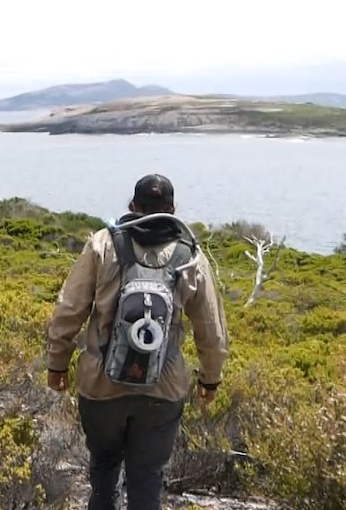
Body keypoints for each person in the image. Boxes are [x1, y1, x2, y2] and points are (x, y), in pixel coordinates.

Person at [45, 173, 228, 510]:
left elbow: (68, 311)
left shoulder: (103, 245)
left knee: (104, 470)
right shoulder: (191, 257)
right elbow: (211, 330)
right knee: (147, 478)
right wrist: (210, 379)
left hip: (101, 386)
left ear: (132, 205)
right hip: (162, 389)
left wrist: (58, 363)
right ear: (172, 209)